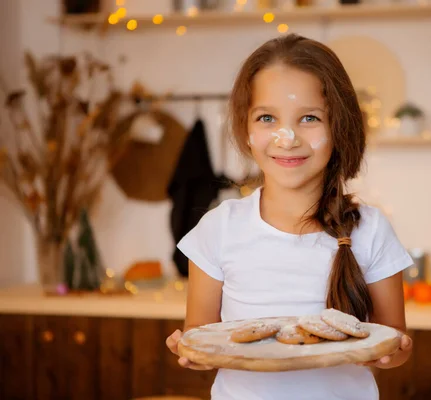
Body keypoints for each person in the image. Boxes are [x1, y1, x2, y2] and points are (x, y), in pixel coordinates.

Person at [165, 33, 414, 400]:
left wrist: (391, 352)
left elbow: (394, 346)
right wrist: (192, 354)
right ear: (246, 130)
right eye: (267, 118)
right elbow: (202, 338)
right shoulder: (217, 230)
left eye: (309, 118)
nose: (287, 137)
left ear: (338, 129)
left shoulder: (371, 230)